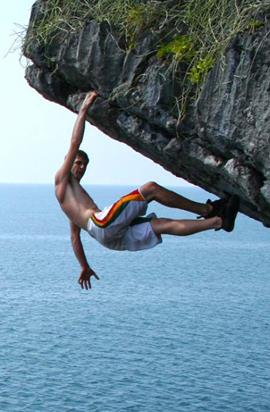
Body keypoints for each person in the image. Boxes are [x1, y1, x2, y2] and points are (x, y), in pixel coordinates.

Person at [56, 90, 240, 289]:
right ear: (67, 161)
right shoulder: (61, 180)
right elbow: (75, 143)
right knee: (150, 189)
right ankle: (207, 210)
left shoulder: (70, 201)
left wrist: (84, 266)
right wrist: (83, 109)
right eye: (78, 163)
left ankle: (219, 221)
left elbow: (75, 236)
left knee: (162, 225)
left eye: (85, 164)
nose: (81, 167)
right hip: (101, 224)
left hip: (106, 238)